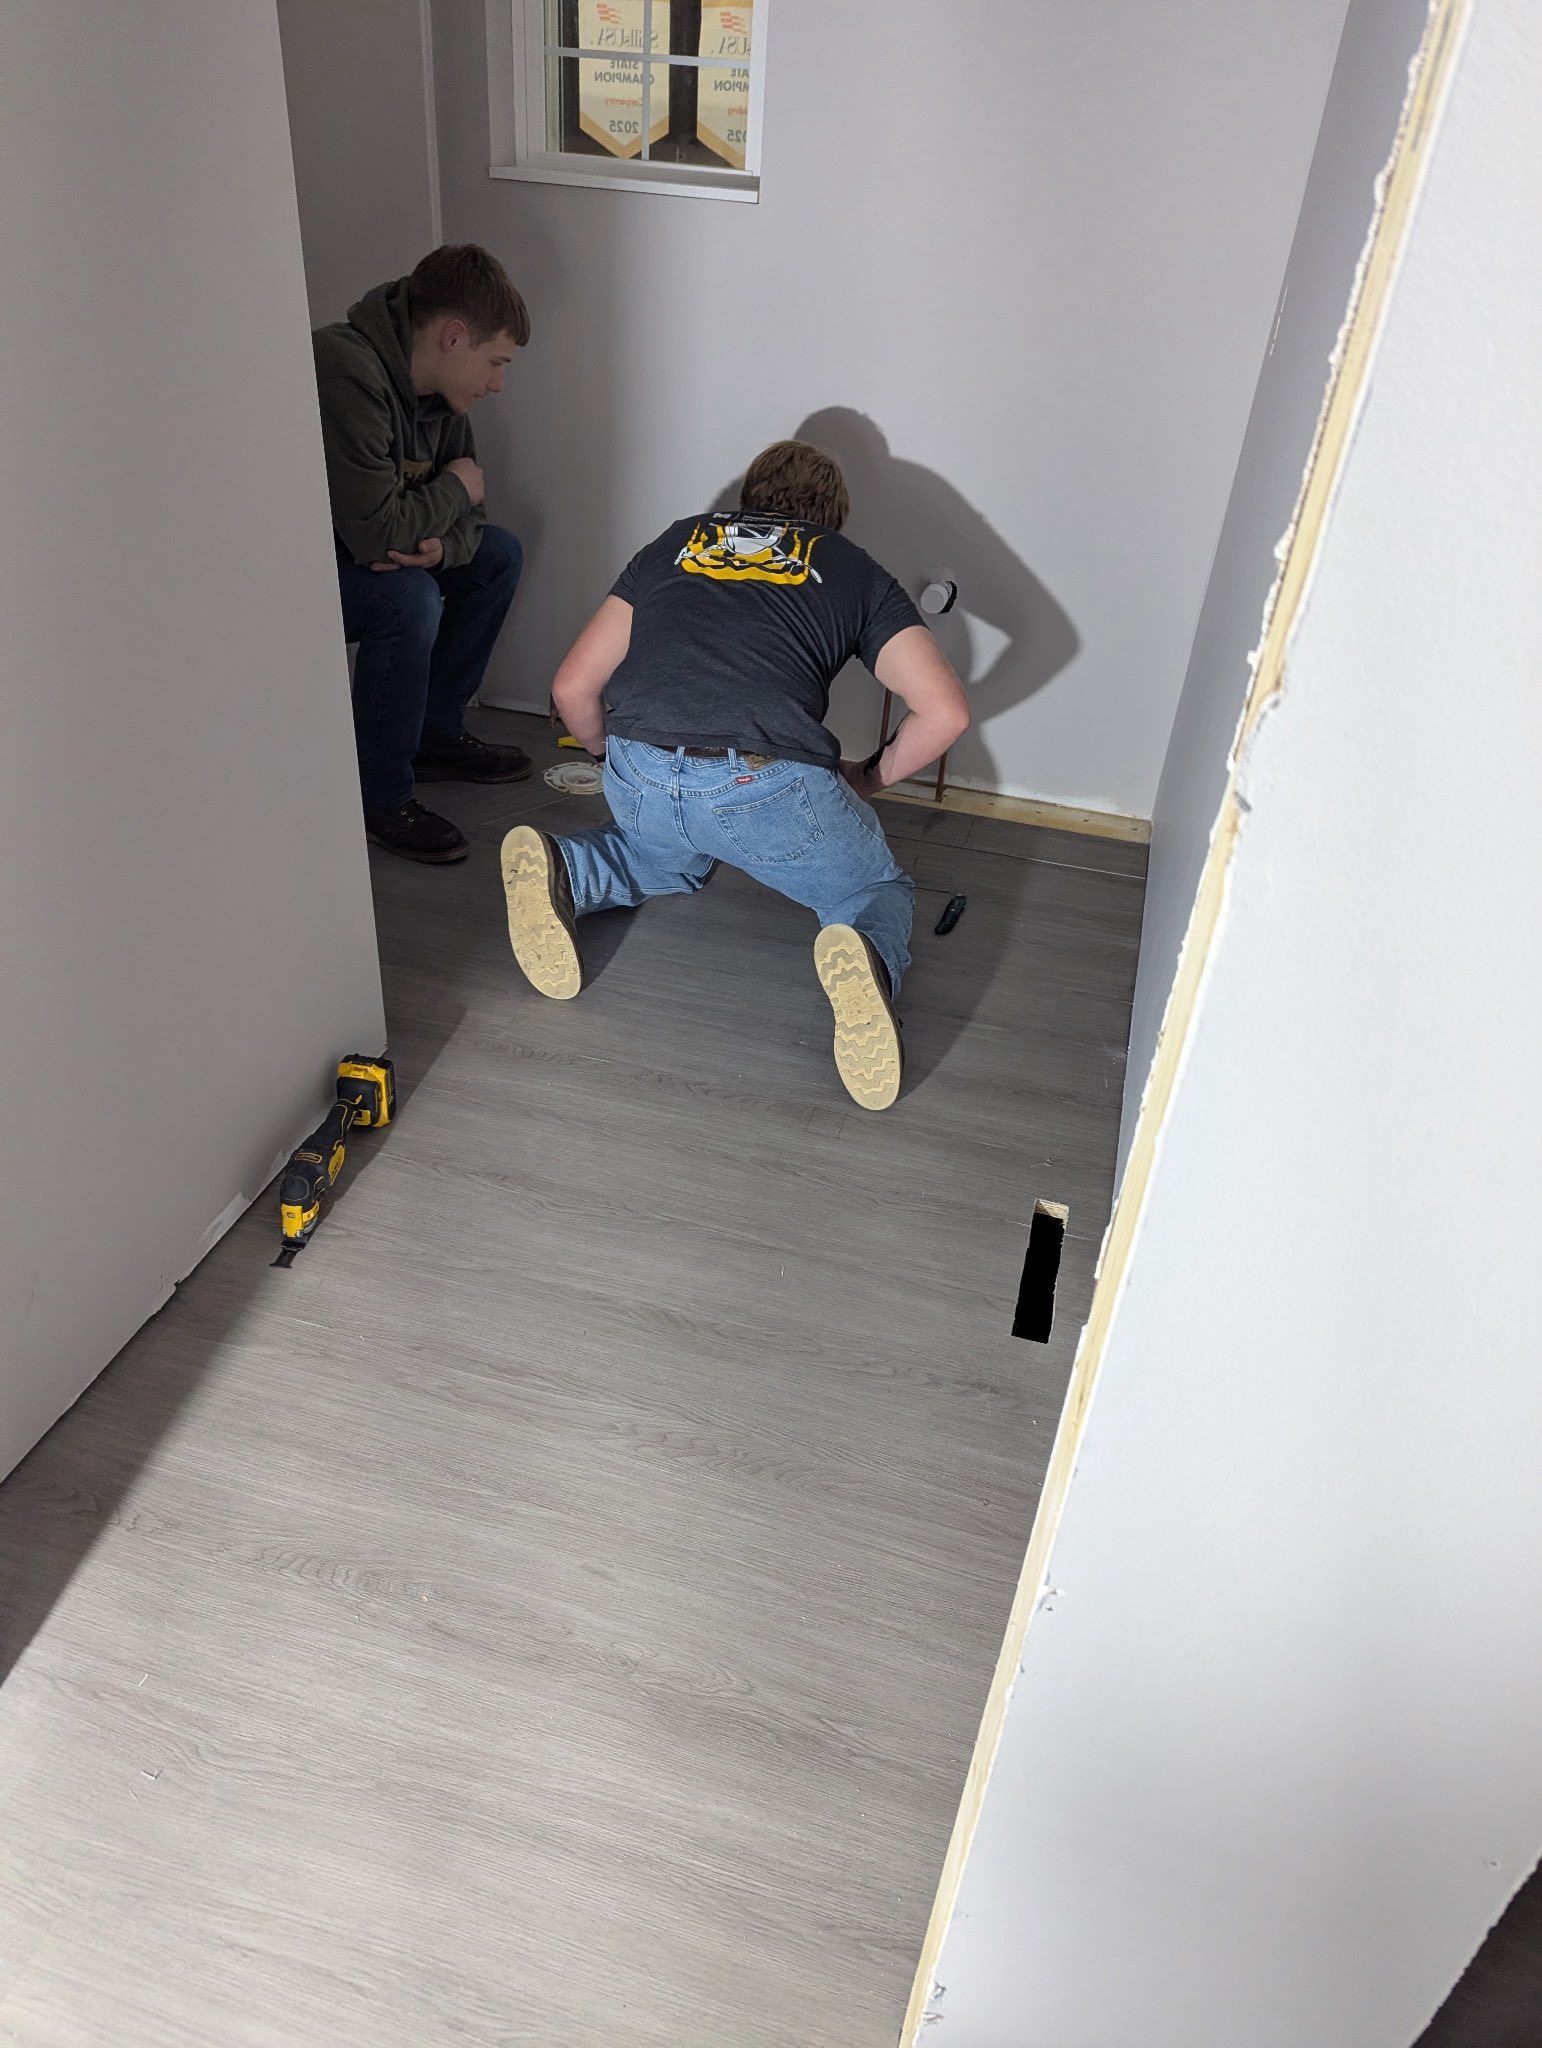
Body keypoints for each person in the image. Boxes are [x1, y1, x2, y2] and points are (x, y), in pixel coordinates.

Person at [498, 440, 972, 1111]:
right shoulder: (849, 566)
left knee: (669, 855)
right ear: (832, 518)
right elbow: (946, 713)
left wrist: (612, 761)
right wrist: (865, 779)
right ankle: (864, 953)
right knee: (874, 886)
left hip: (639, 763)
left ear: (750, 497)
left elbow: (572, 686)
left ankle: (568, 871)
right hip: (762, 781)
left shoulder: (679, 541)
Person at [313, 244, 533, 864]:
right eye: (495, 362)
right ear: (453, 336)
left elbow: (473, 515)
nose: (497, 383)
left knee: (497, 555)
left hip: (376, 555)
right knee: (408, 601)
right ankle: (379, 796)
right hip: (298, 570)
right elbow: (378, 533)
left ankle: (436, 736)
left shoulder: (441, 397)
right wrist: (451, 494)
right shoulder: (345, 369)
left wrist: (440, 547)